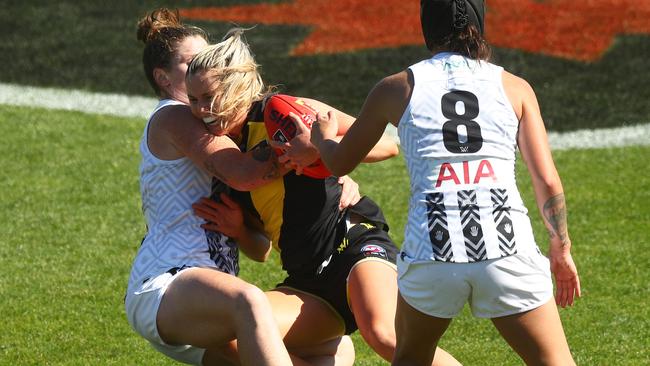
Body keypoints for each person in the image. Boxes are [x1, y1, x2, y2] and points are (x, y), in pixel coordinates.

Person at [307, 0, 582, 365]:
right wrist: (560, 249)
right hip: (506, 247)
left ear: (426, 25)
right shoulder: (515, 88)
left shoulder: (395, 88)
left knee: (410, 359)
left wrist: (322, 137)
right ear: (480, 23)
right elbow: (546, 179)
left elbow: (339, 161)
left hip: (433, 252)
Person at [187, 28, 461, 366]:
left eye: (208, 96)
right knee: (226, 343)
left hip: (352, 245)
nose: (200, 110)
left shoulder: (283, 112)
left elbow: (386, 145)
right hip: (307, 281)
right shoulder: (227, 161)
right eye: (193, 100)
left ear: (236, 86)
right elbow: (262, 250)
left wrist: (321, 146)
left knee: (385, 334)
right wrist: (240, 230)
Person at [124, 8, 355, 366]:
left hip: (212, 299)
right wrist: (317, 153)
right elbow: (244, 173)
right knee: (250, 301)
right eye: (192, 64)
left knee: (334, 347)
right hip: (168, 284)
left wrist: (329, 173)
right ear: (164, 78)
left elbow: (260, 248)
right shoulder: (172, 115)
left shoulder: (224, 129)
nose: (206, 70)